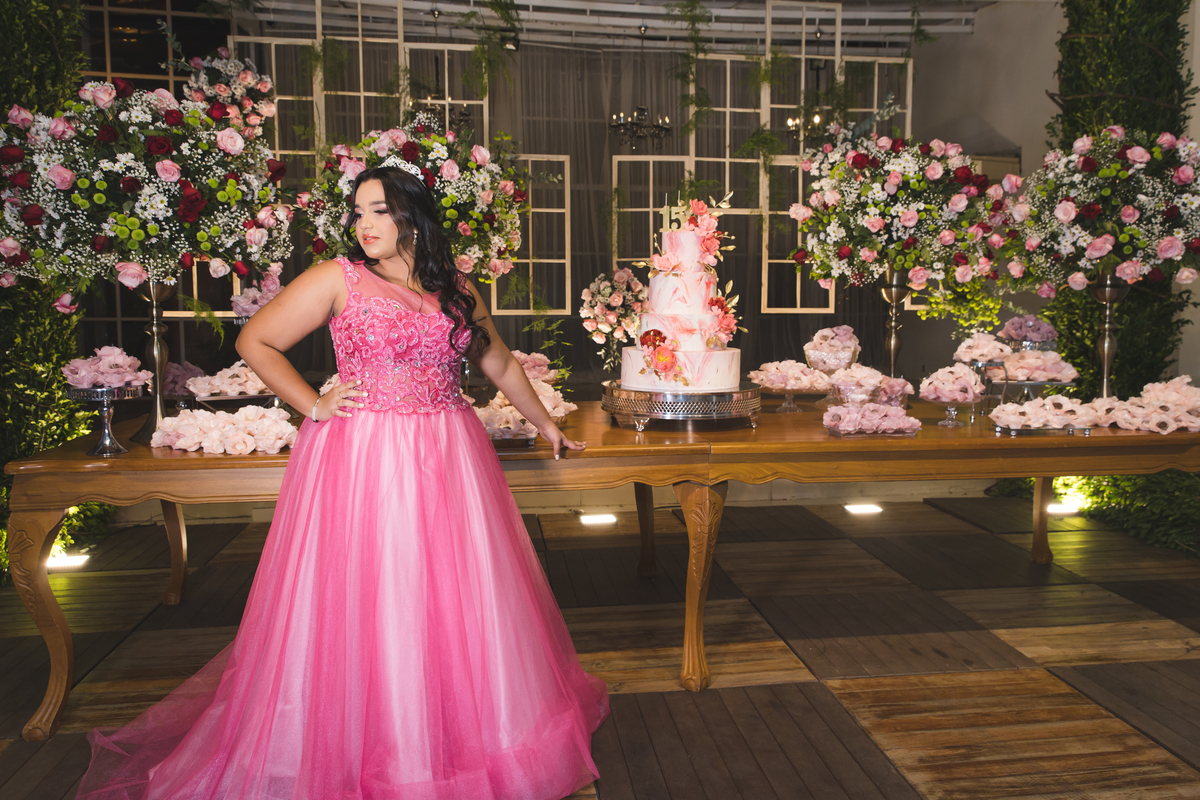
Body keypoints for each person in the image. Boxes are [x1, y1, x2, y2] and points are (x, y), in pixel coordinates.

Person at [76, 163, 610, 799]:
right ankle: (375, 743)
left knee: (456, 593)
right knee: (376, 593)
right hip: (367, 457)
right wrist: (313, 404)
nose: (363, 224)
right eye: (357, 212)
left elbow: (495, 358)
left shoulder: (456, 286)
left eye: (378, 210)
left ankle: (463, 735)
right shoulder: (338, 277)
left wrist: (545, 423)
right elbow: (256, 341)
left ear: (413, 215)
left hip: (449, 450)